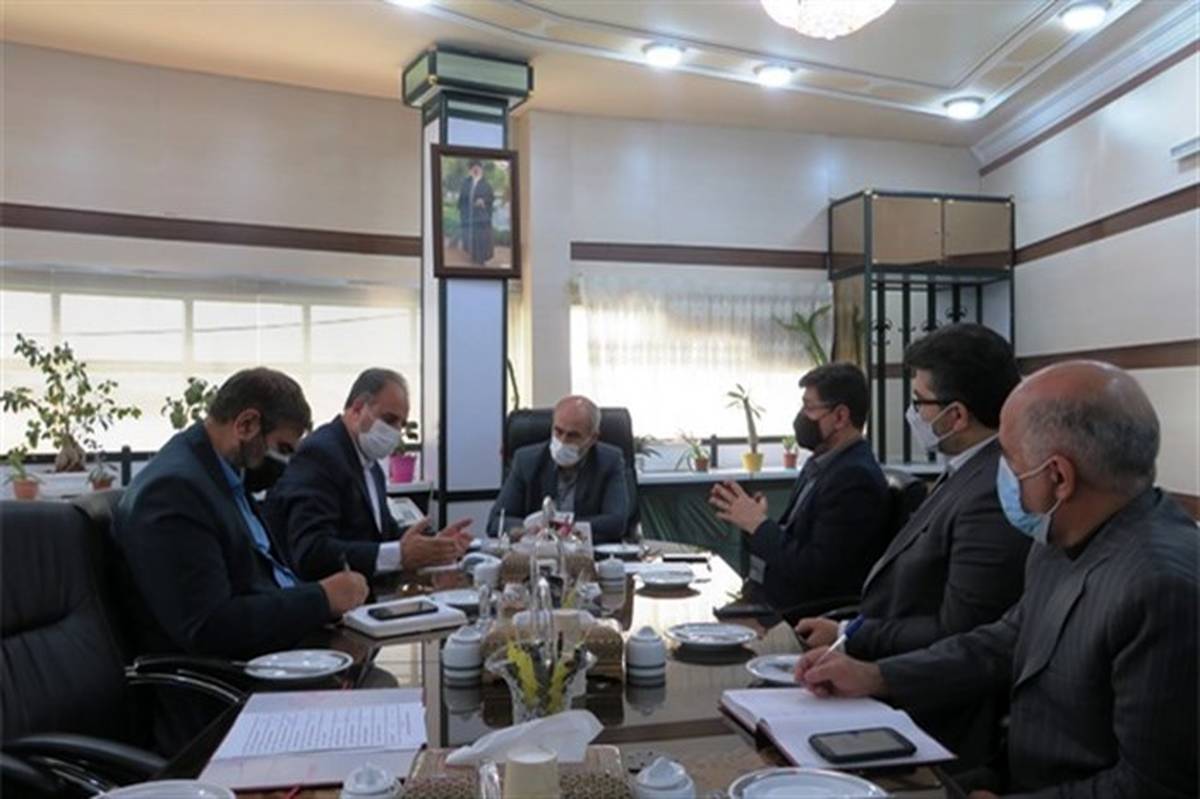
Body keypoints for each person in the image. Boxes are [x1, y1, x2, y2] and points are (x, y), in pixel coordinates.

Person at [795, 361, 1198, 798]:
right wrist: (877, 676)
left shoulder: (1162, 589)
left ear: (1058, 477)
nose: (998, 471)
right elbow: (1004, 642)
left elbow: (1153, 787)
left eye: (1008, 457)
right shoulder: (1062, 533)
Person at [794, 324, 1030, 763]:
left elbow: (957, 631)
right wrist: (846, 630)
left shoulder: (993, 493)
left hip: (929, 713)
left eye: (919, 402)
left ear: (955, 416)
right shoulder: (965, 469)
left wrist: (855, 640)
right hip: (883, 669)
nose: (913, 413)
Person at [115, 367, 368, 660]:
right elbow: (209, 627)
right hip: (230, 674)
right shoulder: (174, 491)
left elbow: (261, 580)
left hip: (281, 646)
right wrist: (321, 599)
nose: (286, 464)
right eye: (283, 448)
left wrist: (325, 600)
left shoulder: (223, 476)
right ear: (246, 425)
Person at [708, 363, 889, 619]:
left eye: (810, 408)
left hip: (803, 615)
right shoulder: (822, 463)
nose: (802, 417)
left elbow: (815, 571)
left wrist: (759, 525)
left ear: (840, 417)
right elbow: (795, 545)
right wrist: (753, 522)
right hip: (773, 598)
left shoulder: (854, 478)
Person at [266, 368, 472, 583]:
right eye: (389, 420)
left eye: (401, 425)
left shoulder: (371, 466)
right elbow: (312, 550)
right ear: (357, 408)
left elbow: (382, 534)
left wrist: (434, 546)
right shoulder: (320, 454)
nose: (395, 432)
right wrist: (399, 555)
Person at [487, 395, 630, 544]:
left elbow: (617, 523)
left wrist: (562, 528)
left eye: (573, 435)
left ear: (592, 438)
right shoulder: (526, 461)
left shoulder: (609, 461)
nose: (563, 441)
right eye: (558, 431)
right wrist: (527, 529)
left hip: (586, 552)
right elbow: (496, 522)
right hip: (536, 551)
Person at [457, 159, 494, 265]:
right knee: (470, 237)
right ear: (470, 170)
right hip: (468, 215)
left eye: (478, 168)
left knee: (481, 238)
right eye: (473, 168)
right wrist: (461, 208)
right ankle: (473, 256)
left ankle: (481, 259)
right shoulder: (466, 183)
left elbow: (491, 198)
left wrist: (483, 201)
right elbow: (462, 198)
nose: (475, 170)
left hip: (481, 216)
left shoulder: (486, 184)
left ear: (481, 170)